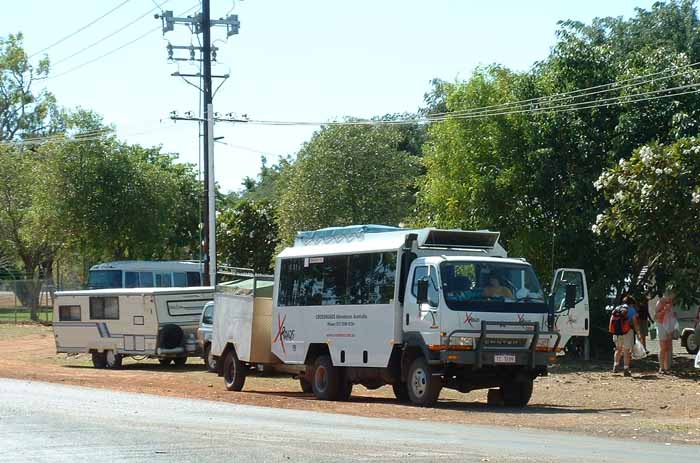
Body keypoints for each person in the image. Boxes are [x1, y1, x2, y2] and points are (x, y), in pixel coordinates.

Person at [611, 295, 639, 377]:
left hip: (617, 332)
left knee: (618, 349)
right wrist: (638, 332)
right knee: (627, 351)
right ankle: (626, 369)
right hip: (627, 331)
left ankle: (615, 366)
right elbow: (635, 322)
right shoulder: (631, 310)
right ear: (631, 303)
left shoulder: (617, 308)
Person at [654, 290, 676, 374]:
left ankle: (667, 367)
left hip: (669, 326)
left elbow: (671, 314)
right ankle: (661, 367)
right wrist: (664, 310)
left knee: (668, 347)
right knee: (663, 347)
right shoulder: (660, 302)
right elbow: (656, 316)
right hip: (661, 325)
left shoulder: (671, 302)